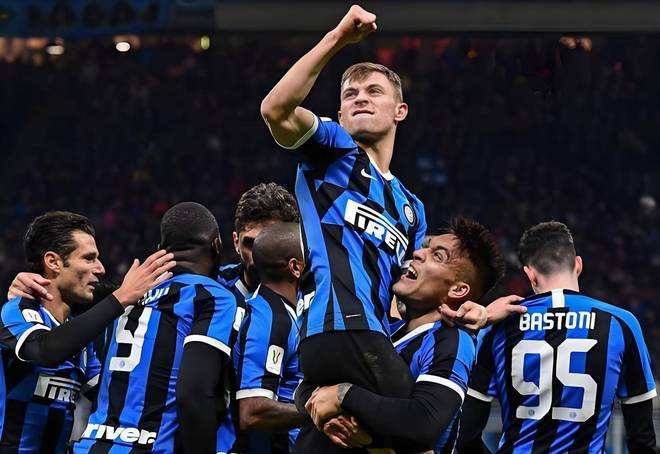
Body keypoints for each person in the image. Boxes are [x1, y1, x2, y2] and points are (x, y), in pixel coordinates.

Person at [260, 6, 426, 451]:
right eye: (350, 93)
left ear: (400, 110)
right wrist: (337, 38)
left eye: (374, 91)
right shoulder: (335, 150)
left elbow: (405, 296)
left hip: (360, 340)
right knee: (423, 428)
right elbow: (275, 110)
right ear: (339, 112)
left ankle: (319, 402)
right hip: (342, 328)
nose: (360, 98)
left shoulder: (411, 208)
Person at [306, 218, 522, 453]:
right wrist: (331, 413)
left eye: (437, 256)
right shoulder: (384, 330)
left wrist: (344, 395)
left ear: (458, 289)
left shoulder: (451, 340)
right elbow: (309, 385)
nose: (418, 253)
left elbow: (425, 423)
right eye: (425, 247)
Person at [457, 221, 657, 453]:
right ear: (578, 265)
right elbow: (642, 438)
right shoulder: (621, 324)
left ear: (530, 275)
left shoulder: (497, 326)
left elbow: (466, 434)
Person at [73, 202, 242, 453]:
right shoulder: (211, 296)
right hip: (153, 447)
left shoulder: (126, 296)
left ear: (160, 250)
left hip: (91, 445)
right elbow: (193, 395)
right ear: (217, 245)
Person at [0, 211, 175, 453]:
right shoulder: (16, 312)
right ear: (53, 262)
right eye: (89, 258)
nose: (100, 268)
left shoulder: (78, 336)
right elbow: (45, 350)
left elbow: (106, 394)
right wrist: (120, 298)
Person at [226, 222, 307, 453]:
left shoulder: (287, 310)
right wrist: (319, 411)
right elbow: (253, 411)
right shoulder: (268, 319)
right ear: (295, 267)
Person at [218, 182, 300, 300]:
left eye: (270, 243)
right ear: (236, 242)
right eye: (250, 243)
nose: (258, 255)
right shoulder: (214, 285)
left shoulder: (315, 288)